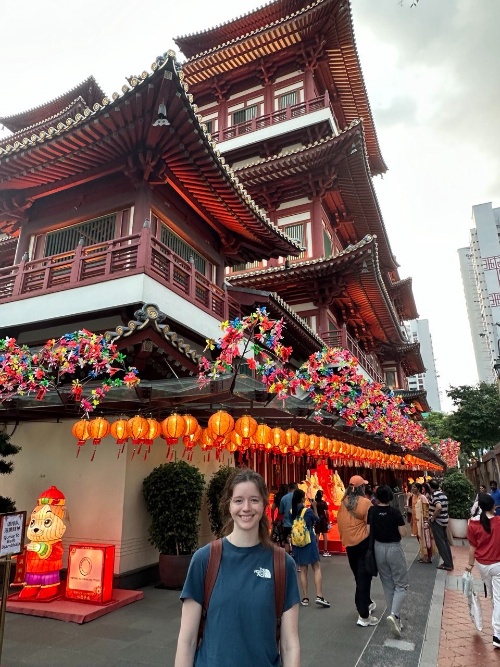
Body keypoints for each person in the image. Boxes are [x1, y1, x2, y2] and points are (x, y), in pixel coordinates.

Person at [175, 468, 301, 667]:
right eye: (239, 500)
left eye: (254, 500)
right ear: (229, 505)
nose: (246, 508)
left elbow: (289, 644)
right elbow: (187, 641)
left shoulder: (282, 564)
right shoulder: (205, 559)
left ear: (264, 505)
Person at [337, 475, 379, 627]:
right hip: (362, 544)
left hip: (349, 545)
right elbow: (370, 525)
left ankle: (366, 602)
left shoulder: (343, 503)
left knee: (359, 576)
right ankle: (363, 616)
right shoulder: (366, 503)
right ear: (361, 488)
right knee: (364, 578)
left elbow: (339, 522)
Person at [368, 485, 408, 638]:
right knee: (401, 583)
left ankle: (395, 617)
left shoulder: (372, 511)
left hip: (378, 548)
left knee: (387, 583)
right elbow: (403, 533)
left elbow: (367, 530)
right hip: (393, 548)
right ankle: (394, 615)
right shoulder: (395, 512)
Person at [466, 493, 500, 649]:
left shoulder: (472, 524)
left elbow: (473, 547)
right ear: (494, 506)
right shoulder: (498, 522)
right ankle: (497, 634)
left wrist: (469, 565)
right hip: (497, 565)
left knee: (495, 597)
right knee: (498, 598)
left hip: (482, 565)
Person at [290, 488, 330, 608]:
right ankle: (319, 595)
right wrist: (315, 508)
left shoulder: (292, 511)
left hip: (297, 543)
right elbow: (317, 520)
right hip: (309, 541)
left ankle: (305, 598)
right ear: (302, 499)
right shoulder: (307, 511)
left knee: (303, 570)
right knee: (316, 567)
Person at [428, 479, 454, 571]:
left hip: (438, 522)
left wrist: (432, 518)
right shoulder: (443, 494)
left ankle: (447, 564)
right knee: (445, 542)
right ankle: (449, 562)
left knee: (441, 543)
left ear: (430, 487)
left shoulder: (434, 495)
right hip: (444, 520)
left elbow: (438, 507)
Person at [414, 482, 435, 564]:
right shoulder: (416, 497)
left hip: (424, 521)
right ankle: (423, 556)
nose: (412, 489)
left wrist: (426, 520)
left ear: (419, 489)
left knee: (426, 539)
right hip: (418, 521)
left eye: (414, 487)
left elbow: (426, 508)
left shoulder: (422, 497)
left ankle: (428, 557)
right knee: (420, 538)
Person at [279, 482, 298, 553]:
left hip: (286, 523)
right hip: (297, 523)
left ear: (289, 489)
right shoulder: (298, 497)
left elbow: (281, 511)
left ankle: (287, 556)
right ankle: (295, 554)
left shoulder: (284, 498)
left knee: (286, 540)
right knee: (296, 540)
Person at [314, 490, 331, 557]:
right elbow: (327, 513)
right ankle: (325, 550)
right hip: (323, 519)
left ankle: (317, 550)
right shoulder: (324, 503)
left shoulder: (314, 503)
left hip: (317, 519)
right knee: (325, 534)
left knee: (317, 534)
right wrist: (328, 521)